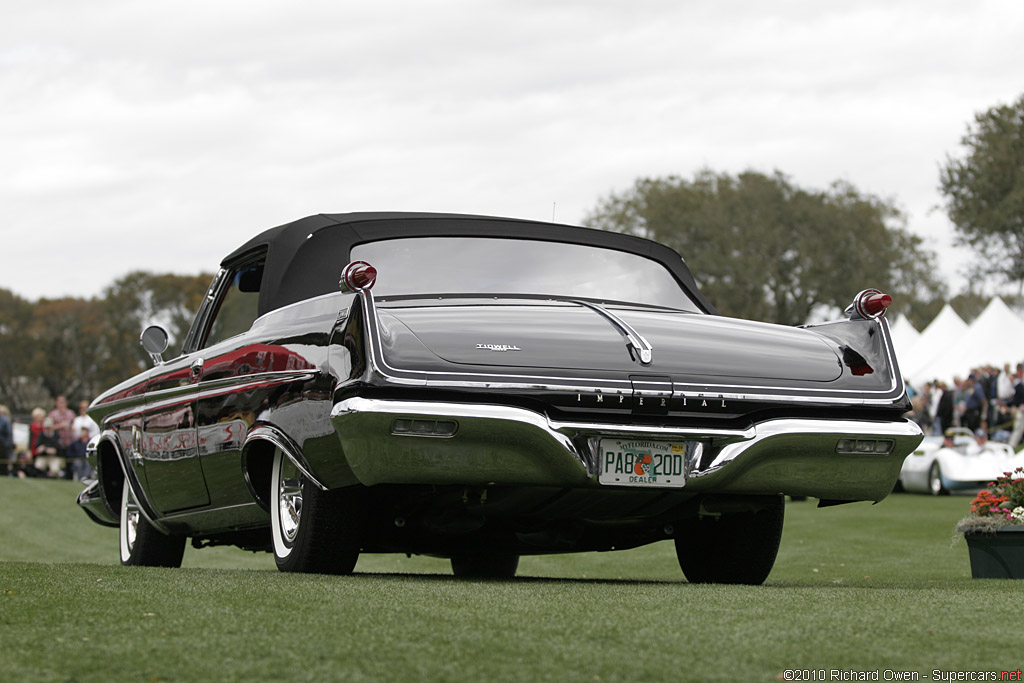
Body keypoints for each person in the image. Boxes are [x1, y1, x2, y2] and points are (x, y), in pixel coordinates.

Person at [0, 405, 14, 475]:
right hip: (3, 444)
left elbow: (8, 434)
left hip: (2, 445)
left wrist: (7, 444)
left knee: (3, 463)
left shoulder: (5, 420)